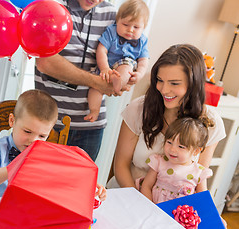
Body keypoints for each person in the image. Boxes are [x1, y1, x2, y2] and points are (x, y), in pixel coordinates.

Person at [106, 44, 226, 189]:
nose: (164, 90)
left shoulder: (211, 124)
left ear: (194, 84)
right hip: (128, 192)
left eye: (174, 83)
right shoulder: (139, 109)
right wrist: (140, 202)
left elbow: (198, 180)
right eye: (160, 80)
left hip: (172, 206)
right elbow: (120, 166)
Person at [34, 0, 138, 161]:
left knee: (78, 185)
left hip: (91, 128)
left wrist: (126, 75)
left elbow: (127, 51)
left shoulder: (111, 13)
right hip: (47, 123)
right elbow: (45, 62)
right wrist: (96, 82)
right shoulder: (52, 6)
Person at [0, 89, 58, 198]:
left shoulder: (46, 158)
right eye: (27, 131)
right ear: (12, 121)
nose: (34, 141)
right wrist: (12, 168)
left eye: (42, 136)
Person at [85, 0, 149, 122]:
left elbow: (143, 60)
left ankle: (117, 82)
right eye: (125, 25)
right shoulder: (111, 32)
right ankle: (94, 111)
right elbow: (101, 50)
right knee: (94, 88)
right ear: (117, 21)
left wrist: (140, 74)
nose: (130, 30)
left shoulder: (142, 41)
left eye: (136, 27)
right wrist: (104, 68)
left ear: (143, 27)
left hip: (125, 62)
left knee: (126, 68)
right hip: (106, 66)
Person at [140, 117, 213, 204]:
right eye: (169, 142)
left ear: (196, 151)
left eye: (181, 147)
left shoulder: (199, 172)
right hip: (154, 208)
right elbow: (146, 186)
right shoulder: (159, 162)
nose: (172, 149)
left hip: (179, 215)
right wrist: (150, 206)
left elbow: (203, 200)